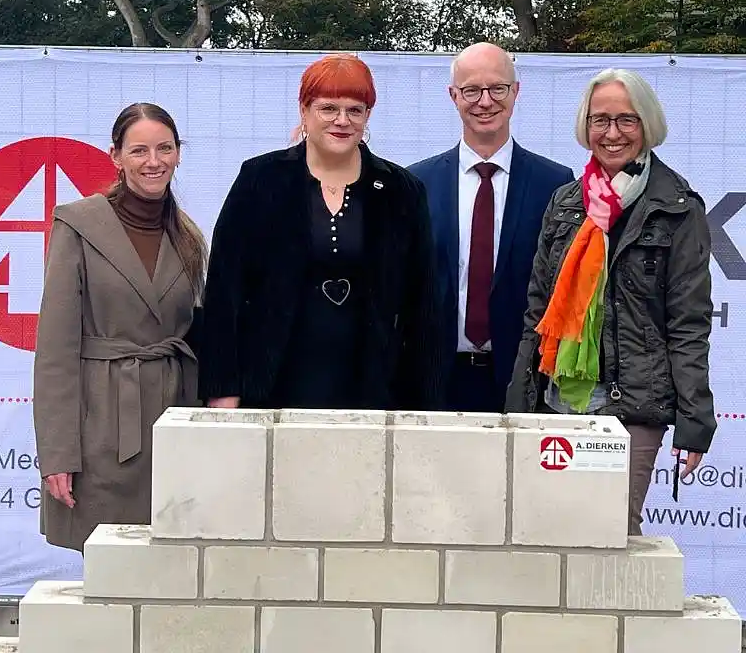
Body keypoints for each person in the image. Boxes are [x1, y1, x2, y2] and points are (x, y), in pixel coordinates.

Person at [506, 68, 716, 534]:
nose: (612, 133)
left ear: (647, 124)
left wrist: (695, 421)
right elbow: (538, 311)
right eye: (600, 120)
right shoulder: (566, 202)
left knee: (613, 535)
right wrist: (518, 401)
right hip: (556, 400)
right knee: (549, 535)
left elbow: (688, 325)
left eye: (626, 120)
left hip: (633, 406)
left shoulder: (678, 207)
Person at [198, 53, 443, 411]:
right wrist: (222, 389)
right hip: (271, 385)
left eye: (355, 110)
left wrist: (426, 402)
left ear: (368, 116)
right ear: (304, 110)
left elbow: (424, 303)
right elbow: (224, 290)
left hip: (373, 390)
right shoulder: (260, 180)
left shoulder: (402, 190)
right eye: (328, 108)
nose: (342, 120)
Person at [33, 102, 207, 552]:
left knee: (170, 561)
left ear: (178, 154)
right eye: (139, 150)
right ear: (116, 156)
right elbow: (55, 350)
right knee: (109, 561)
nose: (154, 162)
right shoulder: (78, 225)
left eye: (164, 148)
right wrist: (57, 453)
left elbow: (199, 333)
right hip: (102, 423)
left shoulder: (189, 237)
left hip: (173, 419)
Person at [410, 43, 573, 413]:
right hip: (436, 383)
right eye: (471, 90)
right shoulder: (418, 184)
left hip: (525, 382)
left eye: (497, 88)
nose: (485, 102)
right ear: (453, 96)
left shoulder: (555, 184)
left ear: (516, 91)